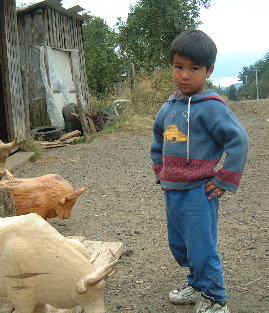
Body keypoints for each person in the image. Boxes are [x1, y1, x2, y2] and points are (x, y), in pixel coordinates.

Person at [150, 30, 248, 313]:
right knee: (179, 243)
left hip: (198, 192)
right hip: (171, 189)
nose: (185, 75)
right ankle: (196, 284)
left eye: (194, 69)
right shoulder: (168, 107)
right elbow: (158, 140)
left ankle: (217, 298)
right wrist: (161, 170)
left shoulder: (213, 108)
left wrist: (224, 178)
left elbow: (238, 141)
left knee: (202, 247)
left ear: (209, 70)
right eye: (179, 67)